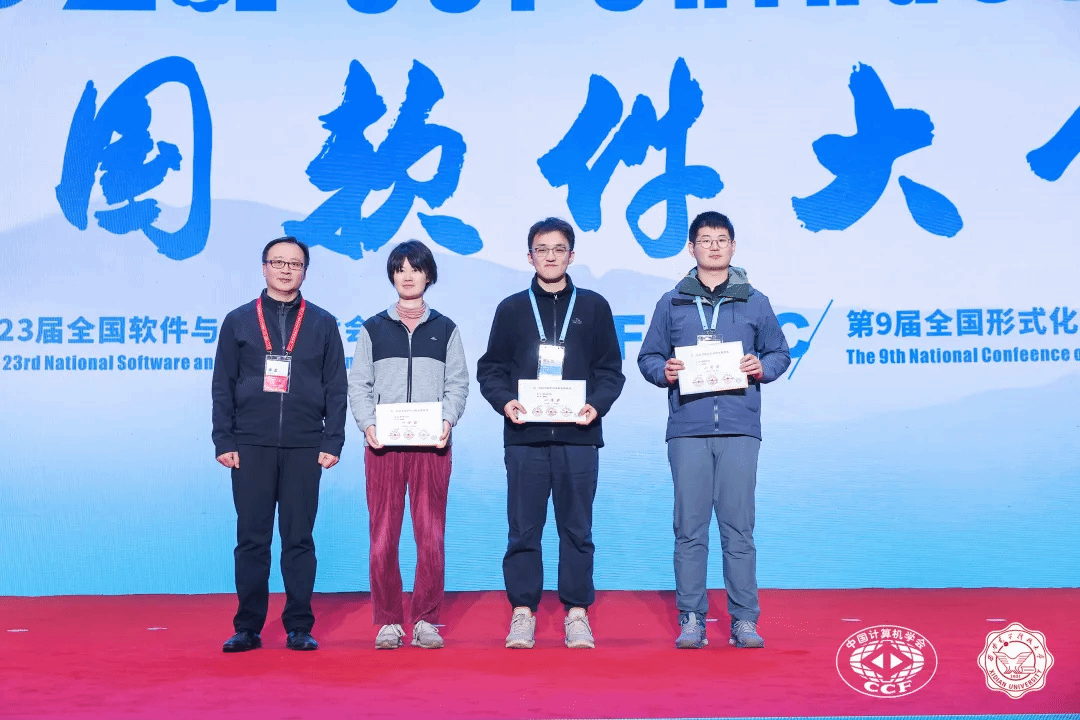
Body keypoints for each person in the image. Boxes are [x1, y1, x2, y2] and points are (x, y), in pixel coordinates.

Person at [637, 211, 790, 650]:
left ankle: (744, 619)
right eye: (705, 240)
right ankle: (691, 617)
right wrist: (663, 371)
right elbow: (648, 357)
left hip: (740, 427)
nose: (714, 246)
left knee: (739, 528)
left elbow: (779, 352)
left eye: (722, 239)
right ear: (692, 248)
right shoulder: (671, 302)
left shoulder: (755, 301)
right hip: (688, 428)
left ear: (733, 247)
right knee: (689, 528)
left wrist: (763, 367)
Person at [477, 217, 625, 650]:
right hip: (525, 437)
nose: (550, 256)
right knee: (523, 528)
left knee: (577, 529)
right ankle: (523, 612)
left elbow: (610, 370)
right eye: (542, 249)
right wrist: (506, 401)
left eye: (559, 249)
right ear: (530, 257)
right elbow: (491, 369)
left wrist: (596, 404)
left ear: (571, 255)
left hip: (579, 437)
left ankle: (576, 613)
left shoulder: (594, 306)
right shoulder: (511, 309)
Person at [212, 236, 347, 653]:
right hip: (250, 445)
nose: (286, 270)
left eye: (295, 264)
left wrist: (332, 439)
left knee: (299, 539)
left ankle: (299, 626)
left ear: (305, 271)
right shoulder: (238, 320)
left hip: (305, 445)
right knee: (252, 539)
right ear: (264, 267)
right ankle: (247, 627)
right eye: (278, 262)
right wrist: (224, 438)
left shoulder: (322, 322)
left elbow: (336, 386)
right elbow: (223, 384)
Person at [348, 240, 469, 650]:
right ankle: (388, 620)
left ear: (428, 275)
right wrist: (367, 424)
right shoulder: (373, 328)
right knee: (383, 536)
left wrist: (447, 419)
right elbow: (359, 384)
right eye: (400, 269)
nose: (407, 275)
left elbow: (457, 383)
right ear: (392, 276)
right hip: (383, 446)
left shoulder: (446, 329)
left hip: (432, 446)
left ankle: (426, 620)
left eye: (415, 268)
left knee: (430, 536)